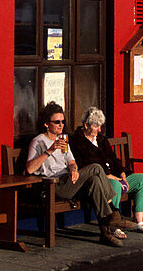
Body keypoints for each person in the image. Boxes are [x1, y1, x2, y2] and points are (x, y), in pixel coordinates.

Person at [25, 102, 125, 247]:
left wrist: (73, 169)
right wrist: (50, 150)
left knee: (95, 181)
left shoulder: (63, 140)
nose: (61, 125)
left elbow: (71, 161)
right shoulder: (38, 142)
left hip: (68, 182)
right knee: (96, 168)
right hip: (53, 186)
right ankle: (113, 211)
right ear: (47, 124)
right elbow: (29, 169)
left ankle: (105, 233)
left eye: (63, 122)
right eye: (57, 122)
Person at [69, 107, 143, 235]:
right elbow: (86, 165)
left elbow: (114, 158)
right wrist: (111, 177)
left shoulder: (101, 139)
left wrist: (122, 173)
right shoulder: (77, 141)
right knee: (114, 186)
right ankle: (114, 224)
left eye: (100, 126)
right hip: (99, 181)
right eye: (96, 126)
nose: (99, 130)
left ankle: (139, 221)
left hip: (116, 177)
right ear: (86, 125)